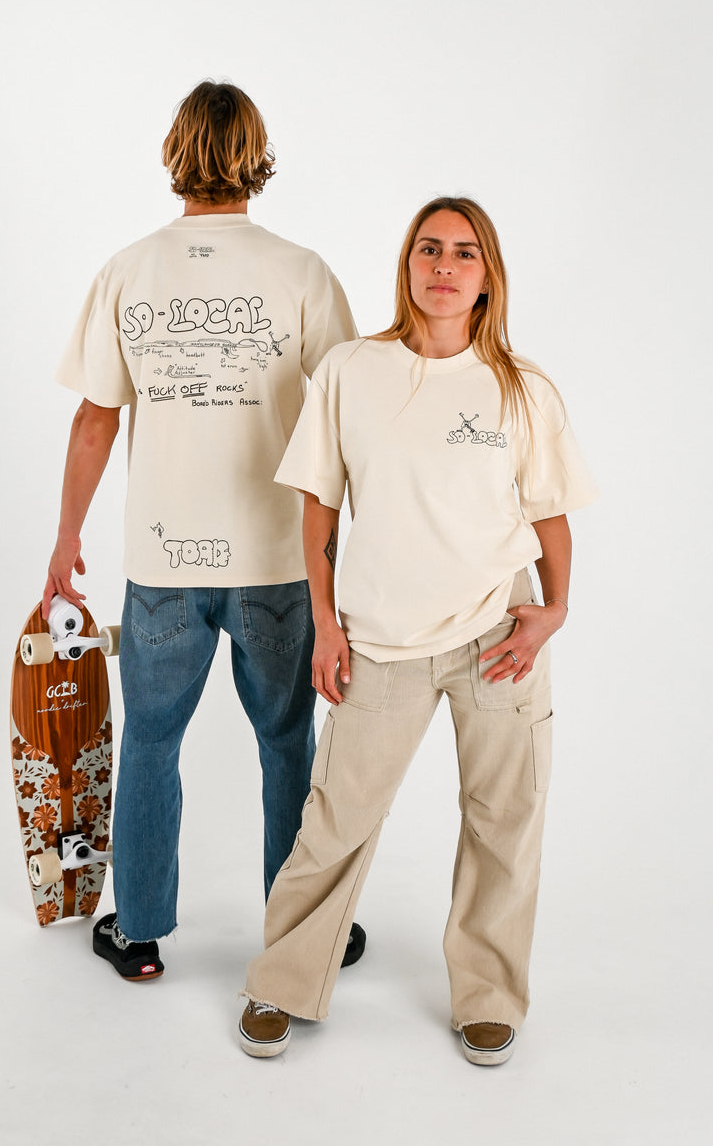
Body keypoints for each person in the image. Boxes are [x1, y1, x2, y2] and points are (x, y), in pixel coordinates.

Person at [238, 196, 598, 1063]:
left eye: (464, 253)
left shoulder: (522, 387)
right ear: (407, 265)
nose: (444, 265)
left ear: (486, 277)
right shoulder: (350, 372)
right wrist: (326, 625)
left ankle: (488, 995)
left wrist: (553, 611)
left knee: (502, 819)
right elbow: (317, 508)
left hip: (496, 634)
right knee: (335, 818)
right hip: (380, 638)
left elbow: (550, 517)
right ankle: (283, 981)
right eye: (429, 249)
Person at [42, 80, 366, 980]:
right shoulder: (303, 273)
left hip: (164, 558)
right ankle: (301, 928)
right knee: (287, 743)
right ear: (255, 152)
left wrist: (66, 536)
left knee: (151, 741)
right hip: (278, 560)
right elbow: (344, 423)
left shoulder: (129, 269)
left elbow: (95, 420)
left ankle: (138, 932)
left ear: (175, 149)